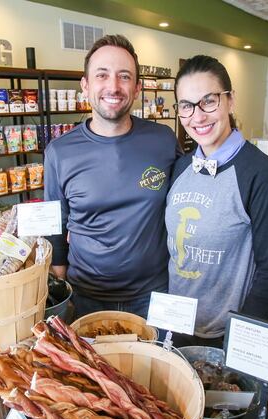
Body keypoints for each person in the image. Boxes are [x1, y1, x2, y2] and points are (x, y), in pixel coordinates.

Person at [44, 35, 178, 320]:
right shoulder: (59, 152)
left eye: (124, 76)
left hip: (156, 295)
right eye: (102, 75)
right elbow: (56, 225)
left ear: (138, 87)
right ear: (85, 85)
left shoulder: (164, 140)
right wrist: (62, 288)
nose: (113, 87)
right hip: (85, 297)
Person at [165, 55, 268, 347]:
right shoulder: (181, 167)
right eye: (186, 106)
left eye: (208, 101)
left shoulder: (261, 174)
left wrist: (239, 338)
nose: (197, 117)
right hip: (174, 323)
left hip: (224, 333)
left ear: (230, 100)